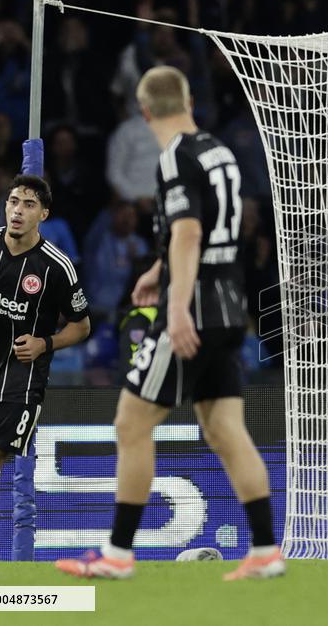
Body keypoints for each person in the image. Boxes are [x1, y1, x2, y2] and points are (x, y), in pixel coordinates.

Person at [55, 66, 282, 580]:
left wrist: (175, 306)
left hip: (194, 306)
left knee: (130, 423)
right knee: (224, 427)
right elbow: (216, 228)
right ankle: (266, 550)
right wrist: (158, 270)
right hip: (230, 304)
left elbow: (188, 233)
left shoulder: (175, 155)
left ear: (143, 111)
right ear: (189, 101)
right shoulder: (218, 150)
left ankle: (117, 555)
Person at [0, 175, 91, 565]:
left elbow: (81, 326)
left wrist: (46, 343)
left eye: (28, 204)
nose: (17, 211)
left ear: (43, 214)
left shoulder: (56, 266)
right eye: (13, 201)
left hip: (22, 380)